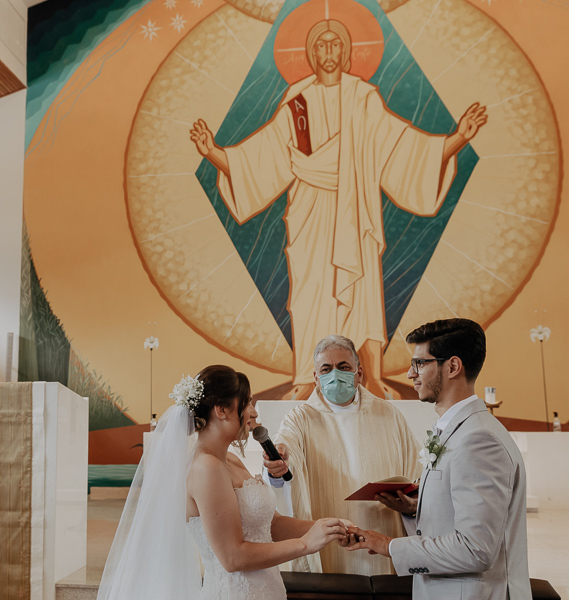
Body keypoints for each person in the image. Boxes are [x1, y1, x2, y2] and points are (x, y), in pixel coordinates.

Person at [190, 19, 487, 396]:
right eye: (320, 47)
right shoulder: (297, 102)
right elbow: (262, 157)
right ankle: (306, 379)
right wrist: (213, 152)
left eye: (335, 47)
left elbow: (402, 149)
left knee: (361, 288)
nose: (328, 54)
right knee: (311, 293)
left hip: (354, 210)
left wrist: (459, 138)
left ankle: (370, 375)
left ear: (346, 54)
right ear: (311, 55)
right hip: (310, 214)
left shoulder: (363, 98)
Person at [97, 365, 356, 600]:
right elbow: (233, 557)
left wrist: (327, 527)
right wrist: (305, 544)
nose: (254, 413)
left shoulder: (229, 459)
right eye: (247, 402)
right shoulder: (205, 467)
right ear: (221, 410)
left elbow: (272, 524)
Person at [346, 318, 532, 600]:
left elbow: (476, 549)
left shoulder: (478, 439)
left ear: (453, 367)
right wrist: (412, 509)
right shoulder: (460, 430)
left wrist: (389, 546)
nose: (410, 373)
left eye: (420, 363)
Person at [262, 335, 421, 575]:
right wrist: (278, 464)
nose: (335, 375)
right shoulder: (300, 418)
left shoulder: (389, 415)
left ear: (359, 373)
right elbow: (285, 449)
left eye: (343, 367)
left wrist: (411, 504)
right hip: (330, 544)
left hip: (383, 534)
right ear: (316, 377)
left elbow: (416, 474)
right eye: (326, 369)